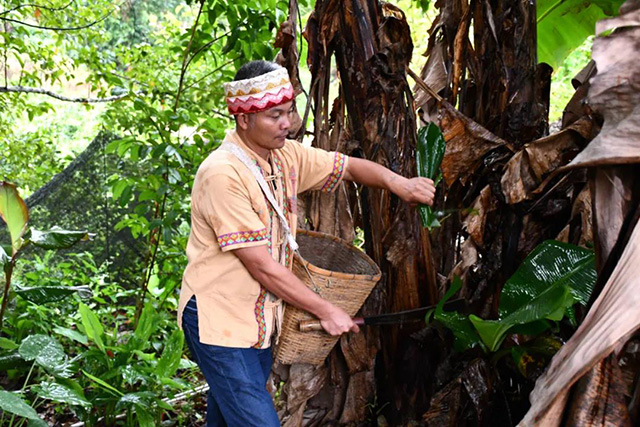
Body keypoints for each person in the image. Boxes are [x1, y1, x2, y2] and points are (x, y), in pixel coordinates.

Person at [178, 60, 435, 427]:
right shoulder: (222, 174)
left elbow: (347, 166)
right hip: (219, 321)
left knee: (227, 417)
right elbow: (263, 267)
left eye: (289, 112)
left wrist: (400, 184)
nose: (287, 123)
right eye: (274, 116)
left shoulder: (285, 156)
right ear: (243, 119)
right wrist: (326, 309)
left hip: (258, 319)